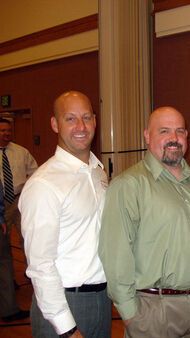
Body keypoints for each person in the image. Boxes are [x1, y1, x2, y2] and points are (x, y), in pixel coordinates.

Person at [99, 106, 190, 338]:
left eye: (180, 131)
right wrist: (131, 313)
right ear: (147, 136)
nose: (174, 138)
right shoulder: (129, 185)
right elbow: (115, 254)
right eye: (164, 131)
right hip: (154, 309)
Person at [19, 91, 111, 338]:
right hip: (64, 305)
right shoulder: (44, 184)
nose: (80, 126)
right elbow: (40, 265)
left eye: (86, 117)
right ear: (54, 124)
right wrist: (67, 329)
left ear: (95, 120)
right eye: (70, 119)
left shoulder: (98, 173)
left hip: (101, 300)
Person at [0, 118, 37, 269]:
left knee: (27, 237)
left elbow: (35, 172)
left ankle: (32, 272)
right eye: (3, 131)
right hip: (1, 203)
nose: (7, 133)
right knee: (3, 242)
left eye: (9, 130)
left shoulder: (21, 152)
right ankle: (7, 278)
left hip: (19, 200)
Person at [0, 181, 29, 322]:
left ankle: (8, 307)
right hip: (5, 205)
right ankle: (8, 308)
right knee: (4, 262)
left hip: (17, 198)